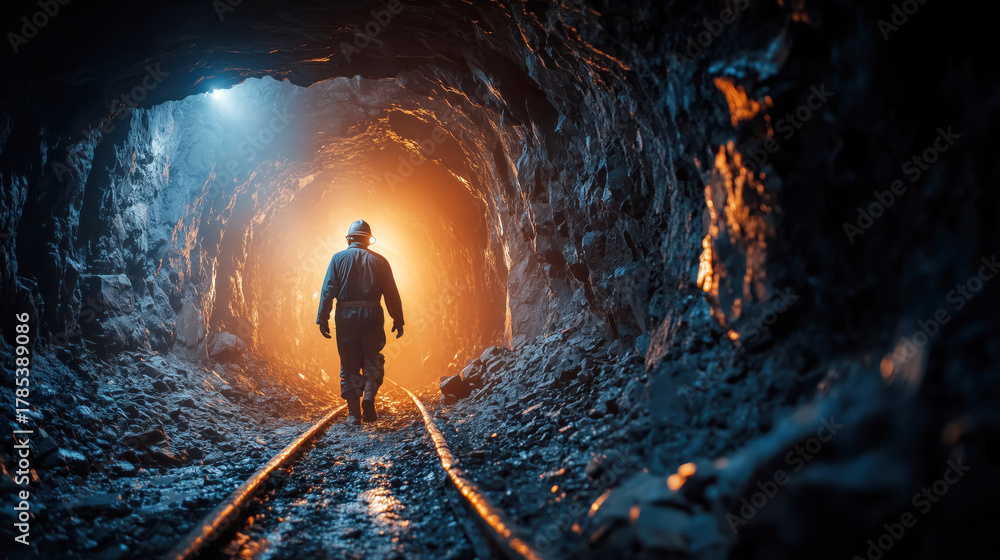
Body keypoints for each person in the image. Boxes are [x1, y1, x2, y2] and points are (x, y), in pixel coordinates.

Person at [316, 220, 404, 425]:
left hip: (346, 315)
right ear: (368, 240)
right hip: (372, 313)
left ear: (349, 239)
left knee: (349, 363)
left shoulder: (337, 259)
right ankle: (369, 397)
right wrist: (397, 318)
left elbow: (328, 291)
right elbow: (391, 293)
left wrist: (323, 317)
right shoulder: (381, 261)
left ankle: (354, 415)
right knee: (372, 359)